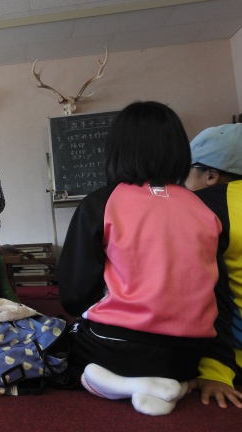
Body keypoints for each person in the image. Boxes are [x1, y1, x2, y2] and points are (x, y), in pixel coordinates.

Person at [56, 101, 230, 416]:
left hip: (115, 348)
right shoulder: (204, 209)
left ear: (116, 149)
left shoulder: (101, 203)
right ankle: (176, 385)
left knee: (57, 350)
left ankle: (124, 384)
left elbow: (73, 294)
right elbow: (216, 289)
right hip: (188, 355)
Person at [184, 123, 242, 408]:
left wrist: (215, 371)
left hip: (233, 358)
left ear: (210, 176)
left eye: (187, 173)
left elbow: (208, 292)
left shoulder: (205, 205)